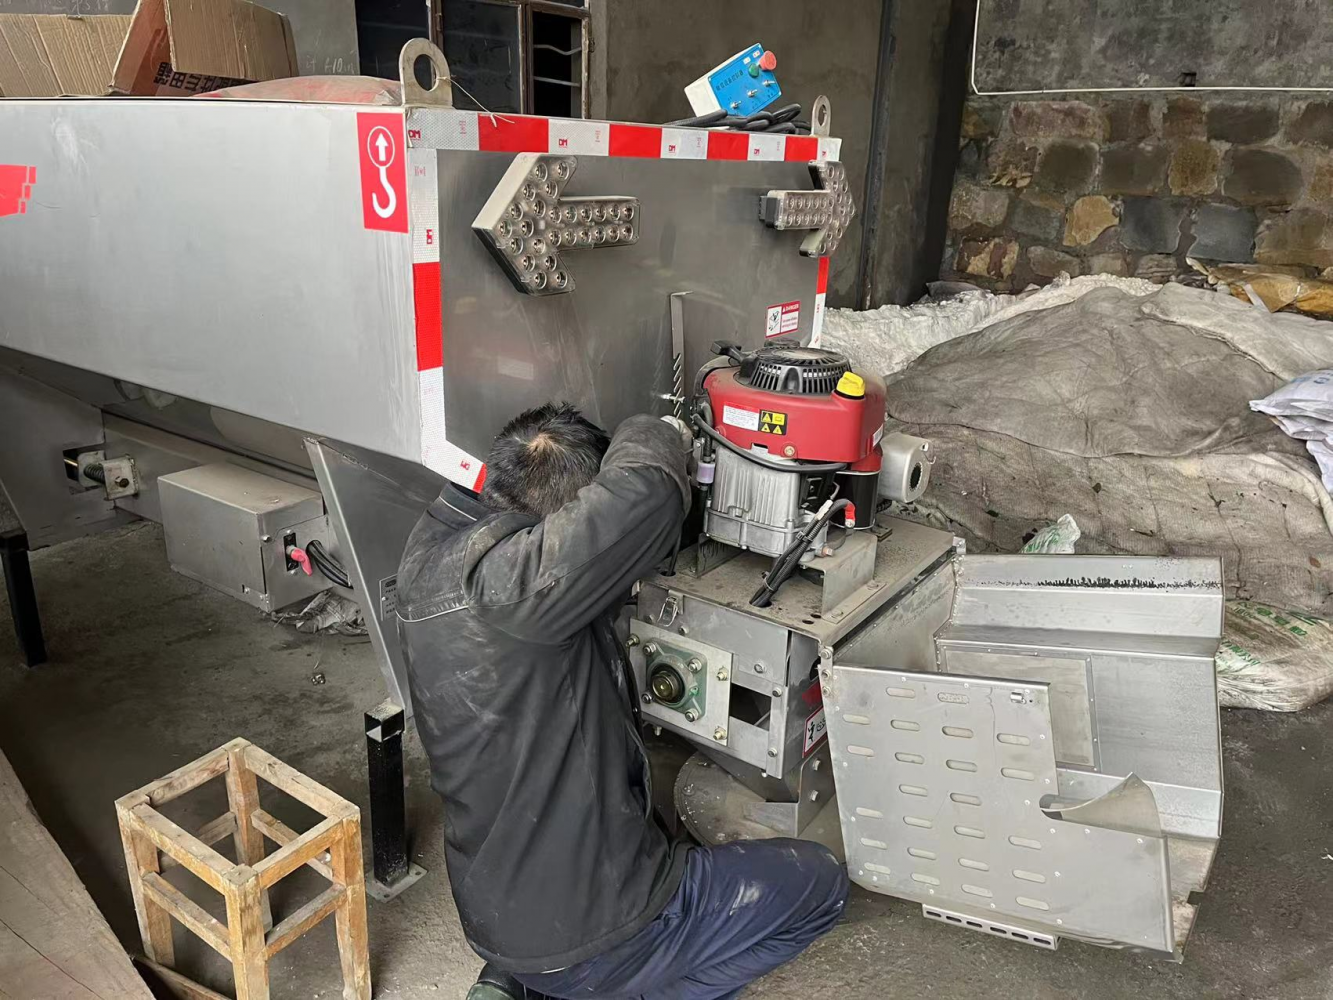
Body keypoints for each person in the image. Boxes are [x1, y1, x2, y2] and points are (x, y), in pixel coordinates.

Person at [396, 402, 848, 1000]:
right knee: (821, 883)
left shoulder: (430, 556)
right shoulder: (513, 588)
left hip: (494, 916)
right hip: (604, 928)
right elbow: (648, 493)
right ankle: (622, 982)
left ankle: (518, 980)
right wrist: (661, 428)